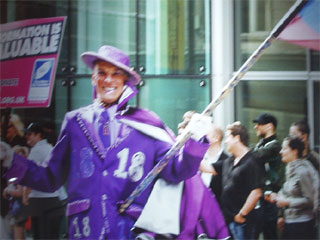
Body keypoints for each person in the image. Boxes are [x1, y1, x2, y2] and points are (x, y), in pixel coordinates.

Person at [0, 45, 211, 239]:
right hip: (85, 230)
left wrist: (196, 140)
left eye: (116, 73)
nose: (108, 80)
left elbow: (177, 170)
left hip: (130, 230)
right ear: (93, 78)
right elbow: (49, 178)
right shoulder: (75, 122)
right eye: (102, 73)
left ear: (126, 80)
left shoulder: (147, 123)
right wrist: (11, 160)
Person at [210, 122, 264, 240]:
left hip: (242, 223)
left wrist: (241, 214)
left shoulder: (253, 161)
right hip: (228, 221)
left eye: (228, 137)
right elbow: (207, 168)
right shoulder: (229, 161)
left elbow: (256, 192)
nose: (225, 141)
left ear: (237, 138)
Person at [265, 136, 319, 240]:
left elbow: (310, 200)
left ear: (294, 151)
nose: (281, 152)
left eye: (284, 149)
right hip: (290, 223)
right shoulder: (290, 169)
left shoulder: (303, 171)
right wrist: (277, 198)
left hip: (302, 226)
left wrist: (287, 202)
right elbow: (289, 192)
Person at [22, 122, 66, 239]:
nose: (27, 137)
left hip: (41, 202)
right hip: (55, 200)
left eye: (30, 134)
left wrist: (25, 195)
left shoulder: (36, 151)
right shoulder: (50, 148)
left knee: (40, 236)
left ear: (39, 135)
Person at [252, 113, 284, 239]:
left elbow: (256, 157)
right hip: (260, 197)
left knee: (269, 233)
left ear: (269, 126)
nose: (256, 127)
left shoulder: (275, 146)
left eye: (259, 124)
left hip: (270, 197)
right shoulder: (260, 145)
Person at [199, 124, 229, 203]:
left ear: (216, 138)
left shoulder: (227, 160)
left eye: (207, 135)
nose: (203, 137)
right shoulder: (200, 156)